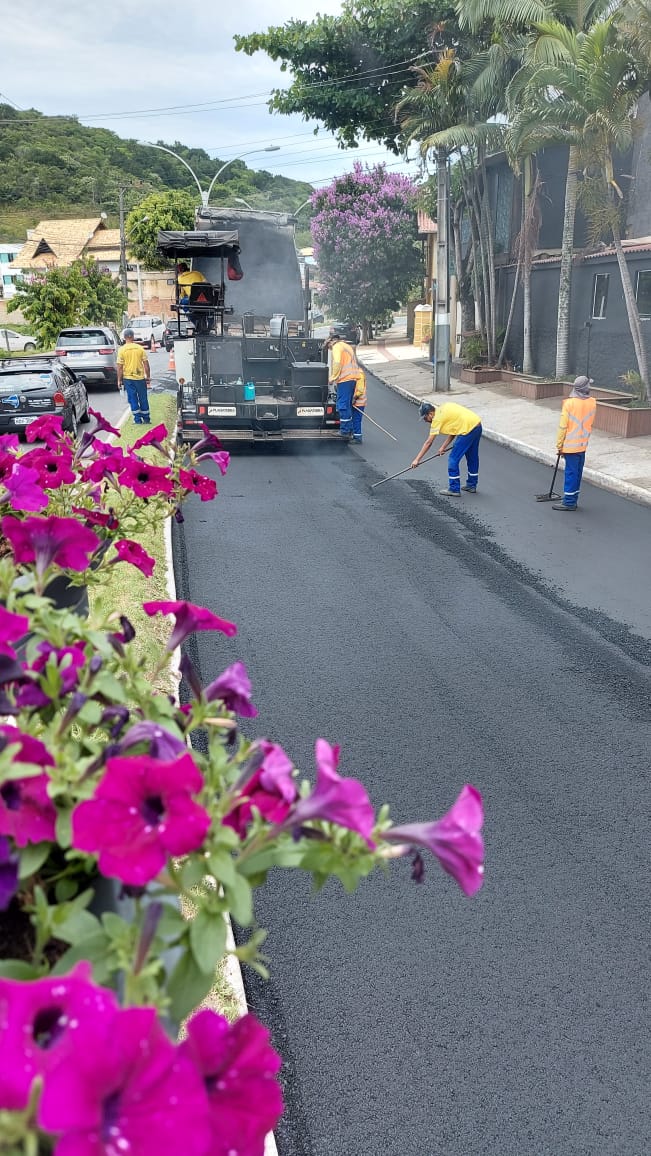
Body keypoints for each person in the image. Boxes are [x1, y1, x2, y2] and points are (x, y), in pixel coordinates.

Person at [411, 400, 483, 495]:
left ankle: (454, 489)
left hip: (467, 430)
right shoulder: (443, 408)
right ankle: (472, 485)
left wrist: (417, 460)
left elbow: (428, 443)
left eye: (425, 417)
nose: (425, 420)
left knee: (453, 459)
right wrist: (443, 447)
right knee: (472, 457)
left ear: (431, 414)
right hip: (476, 425)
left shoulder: (436, 420)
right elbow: (454, 430)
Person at [552, 375, 597, 512]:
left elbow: (562, 427)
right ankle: (573, 498)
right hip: (583, 445)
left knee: (571, 474)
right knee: (577, 473)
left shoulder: (569, 404)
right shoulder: (593, 402)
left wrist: (559, 445)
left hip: (570, 446)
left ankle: (569, 502)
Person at [327, 330, 364, 442]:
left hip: (345, 379)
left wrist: (332, 378)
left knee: (342, 405)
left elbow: (337, 363)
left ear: (331, 342)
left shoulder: (337, 347)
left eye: (329, 347)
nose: (330, 349)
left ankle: (344, 430)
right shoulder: (347, 346)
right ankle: (350, 430)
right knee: (347, 405)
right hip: (352, 378)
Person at [117, 328, 151, 425]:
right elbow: (146, 365)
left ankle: (137, 420)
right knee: (143, 398)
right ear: (133, 337)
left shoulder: (122, 350)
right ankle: (147, 419)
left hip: (128, 379)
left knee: (133, 398)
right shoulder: (140, 348)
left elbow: (119, 367)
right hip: (140, 378)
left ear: (124, 337)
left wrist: (119, 380)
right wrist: (148, 377)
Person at [351, 367, 367, 444]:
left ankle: (357, 438)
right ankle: (354, 435)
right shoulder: (356, 372)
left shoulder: (359, 374)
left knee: (356, 420)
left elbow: (360, 390)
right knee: (354, 419)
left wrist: (354, 398)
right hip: (357, 401)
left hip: (359, 402)